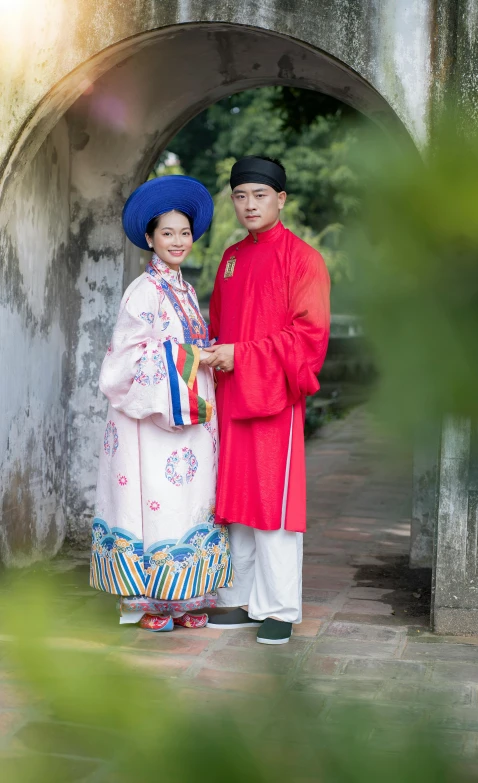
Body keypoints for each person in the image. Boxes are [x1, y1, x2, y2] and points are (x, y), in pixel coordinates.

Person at [89, 175, 233, 632]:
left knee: (189, 501)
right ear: (149, 238)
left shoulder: (187, 291)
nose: (177, 241)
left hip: (190, 416)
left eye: (184, 232)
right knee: (156, 500)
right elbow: (125, 357)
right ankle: (152, 601)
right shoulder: (143, 290)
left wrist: (204, 351)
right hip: (151, 420)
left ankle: (189, 597)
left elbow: (186, 342)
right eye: (167, 233)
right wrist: (187, 355)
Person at [202, 156, 330, 644]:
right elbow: (216, 325)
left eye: (259, 195)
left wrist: (243, 356)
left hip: (274, 395)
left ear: (281, 199)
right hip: (233, 394)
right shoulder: (231, 257)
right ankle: (240, 598)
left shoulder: (303, 259)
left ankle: (279, 608)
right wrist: (216, 355)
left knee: (273, 505)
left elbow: (310, 338)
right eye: (240, 196)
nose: (249, 204)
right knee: (235, 501)